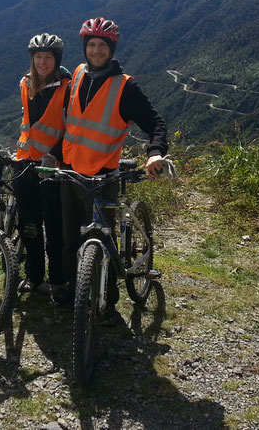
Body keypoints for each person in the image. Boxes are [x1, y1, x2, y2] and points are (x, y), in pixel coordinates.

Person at [51, 17, 168, 325]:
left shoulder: (124, 87)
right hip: (69, 171)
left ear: (111, 49)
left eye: (103, 45)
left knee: (103, 240)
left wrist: (155, 154)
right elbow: (68, 122)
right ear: (85, 48)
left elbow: (155, 123)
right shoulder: (76, 74)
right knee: (68, 239)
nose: (96, 50)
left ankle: (109, 302)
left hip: (103, 175)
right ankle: (71, 295)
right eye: (91, 45)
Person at [13, 33, 71, 295]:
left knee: (55, 228)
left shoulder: (68, 88)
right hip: (25, 163)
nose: (43, 63)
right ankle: (34, 277)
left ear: (56, 60)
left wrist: (55, 155)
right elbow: (28, 125)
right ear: (32, 59)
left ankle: (58, 280)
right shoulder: (26, 84)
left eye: (48, 58)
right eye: (38, 57)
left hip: (52, 167)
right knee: (30, 226)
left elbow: (72, 129)